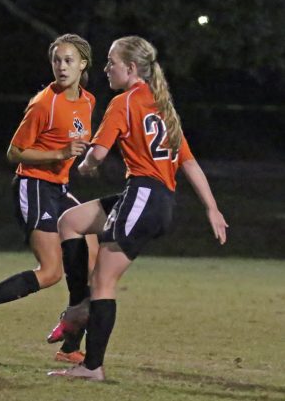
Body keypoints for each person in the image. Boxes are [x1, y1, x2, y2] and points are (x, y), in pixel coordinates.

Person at [48, 35, 228, 381]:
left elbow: (96, 156)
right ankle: (79, 305)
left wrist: (85, 164)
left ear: (130, 68)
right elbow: (189, 163)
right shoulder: (161, 104)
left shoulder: (124, 102)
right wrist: (212, 208)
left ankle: (91, 365)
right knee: (70, 221)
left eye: (111, 62)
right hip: (155, 201)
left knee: (104, 282)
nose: (106, 68)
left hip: (144, 196)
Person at [0, 34, 98, 363]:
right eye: (57, 60)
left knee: (94, 254)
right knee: (50, 272)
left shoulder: (88, 102)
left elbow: (77, 143)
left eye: (68, 60)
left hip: (58, 189)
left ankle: (70, 344)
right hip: (34, 186)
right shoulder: (44, 103)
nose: (61, 66)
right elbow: (14, 152)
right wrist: (58, 152)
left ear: (83, 64)